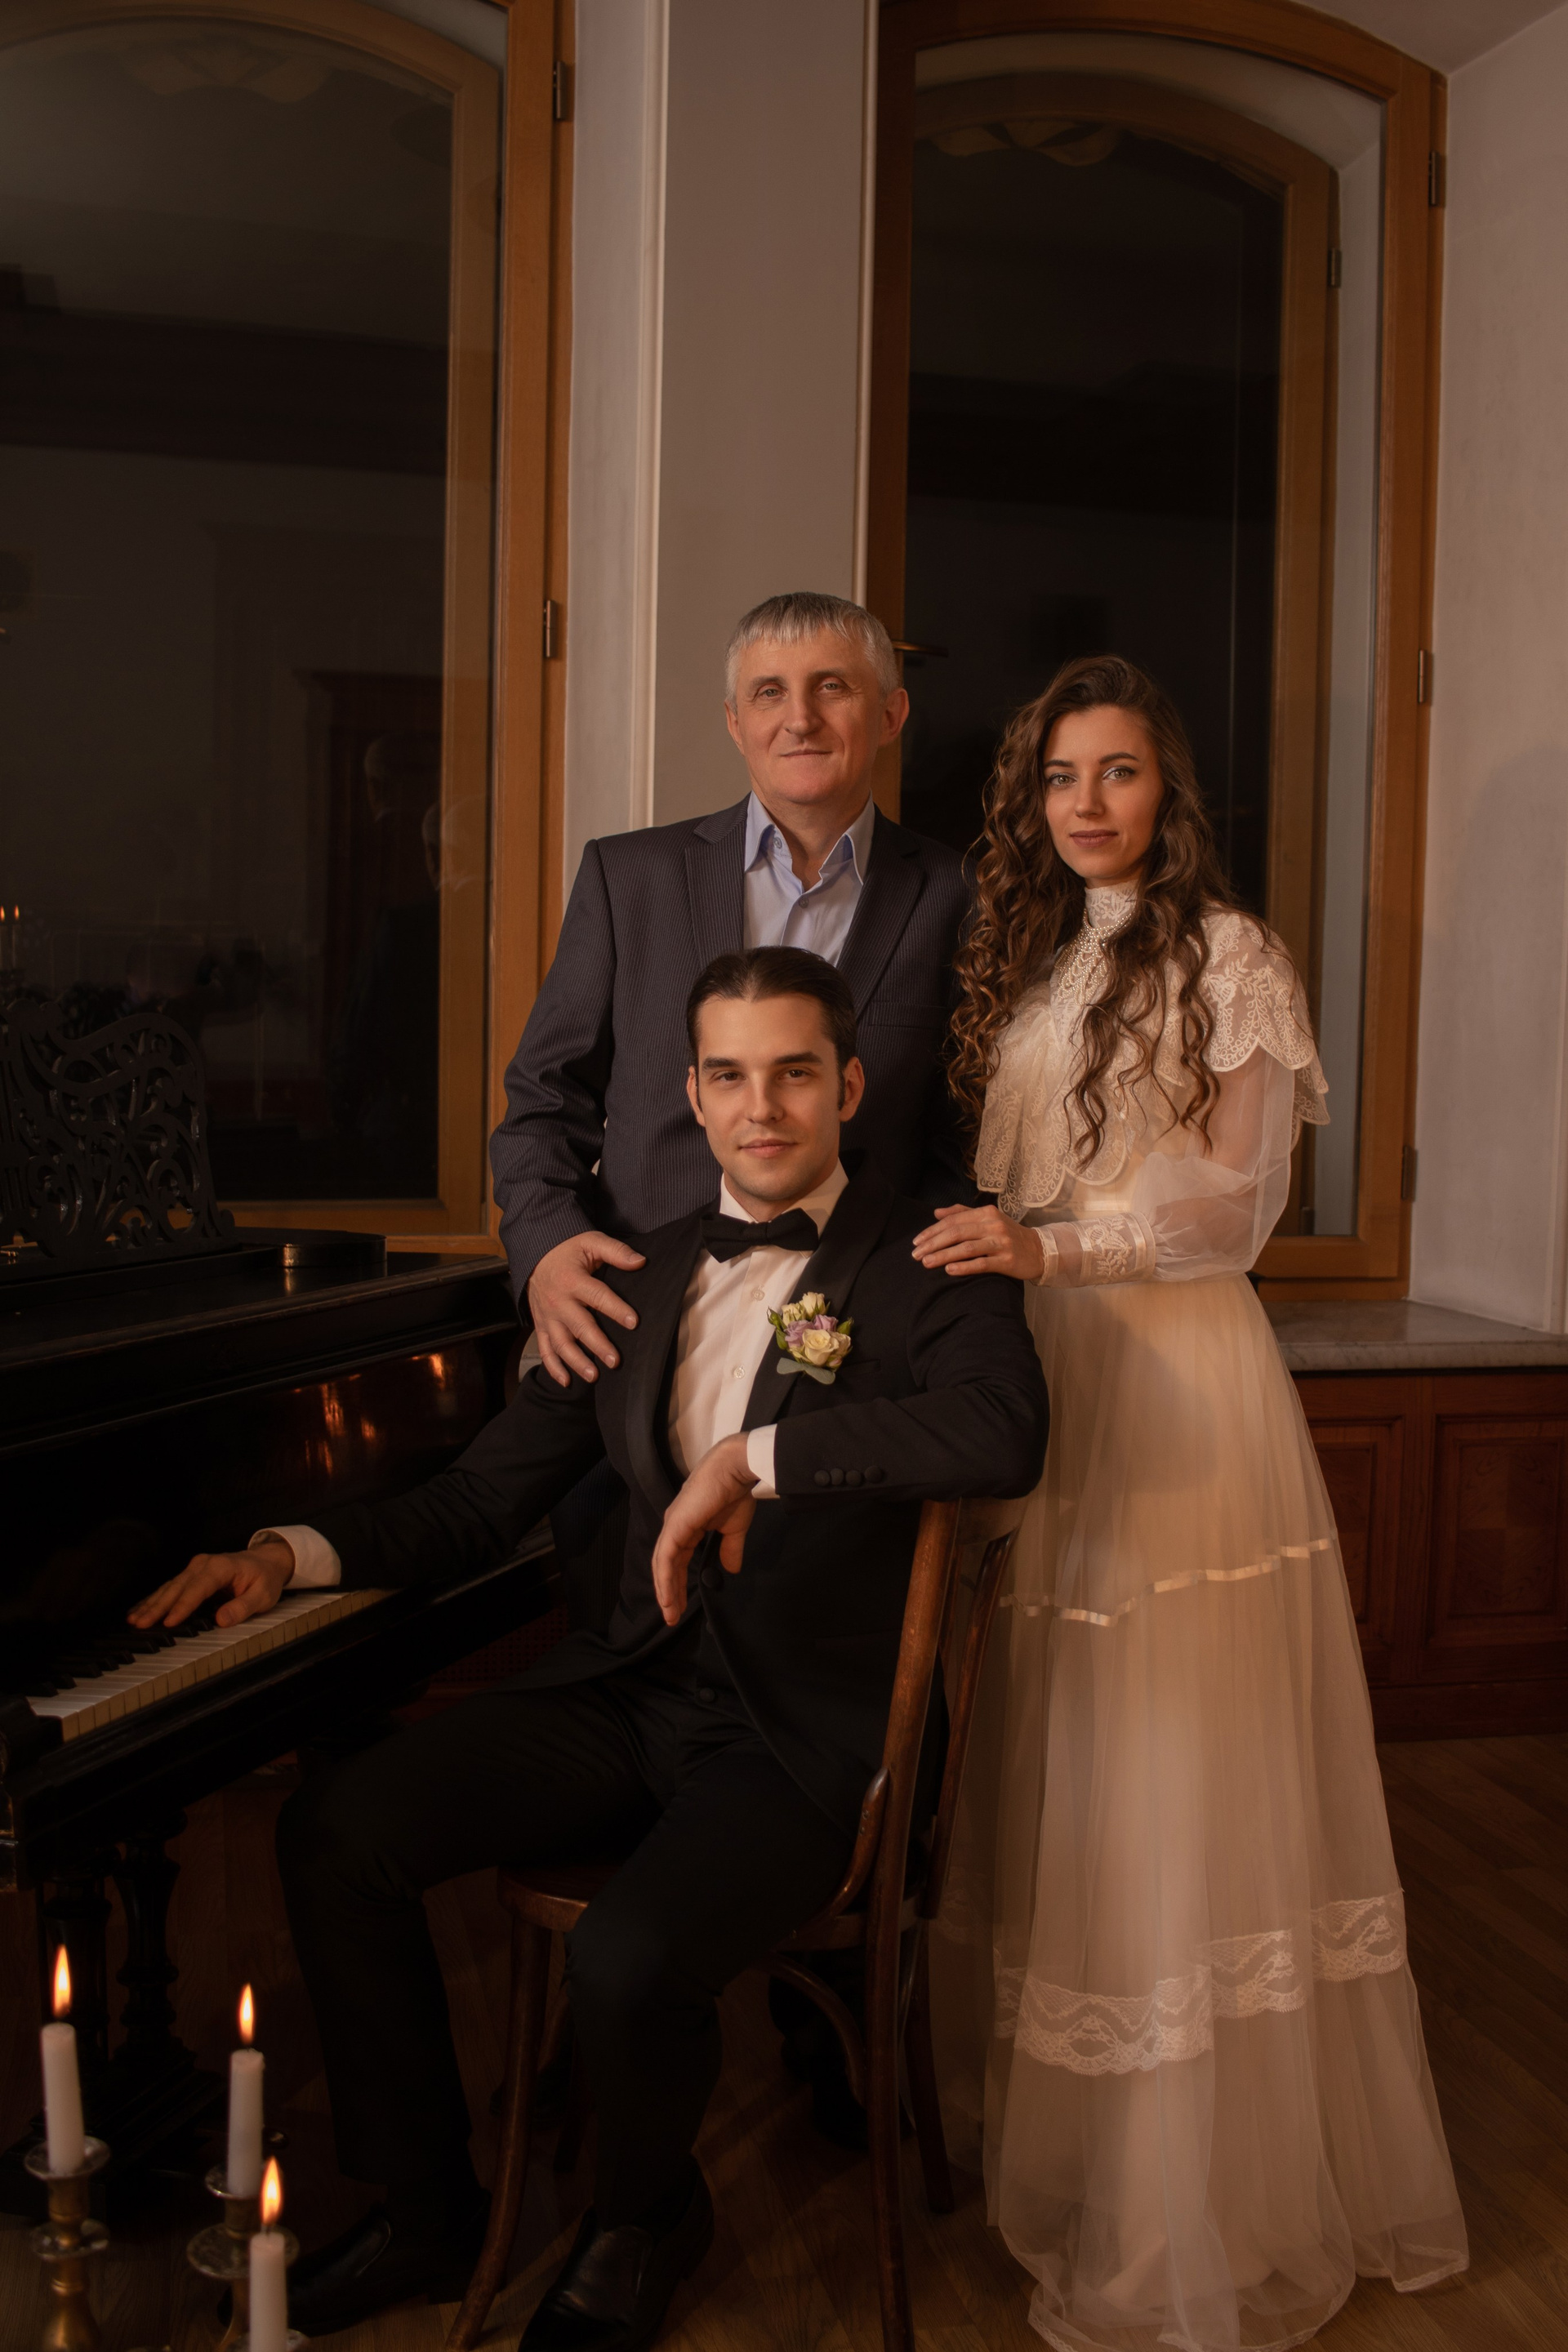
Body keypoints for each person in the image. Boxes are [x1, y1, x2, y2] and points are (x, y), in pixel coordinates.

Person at [131, 946, 1047, 2346]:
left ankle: (643, 2217)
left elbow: (1004, 1431)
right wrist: (288, 1554)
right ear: (692, 1092)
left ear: (850, 1087)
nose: (762, 1107)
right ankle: (427, 2210)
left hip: (802, 1738)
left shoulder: (932, 1258)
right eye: (730, 1075)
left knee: (623, 1959)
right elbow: (476, 1502)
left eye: (795, 1073)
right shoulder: (642, 1273)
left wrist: (754, 1458)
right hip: (629, 1689)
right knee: (338, 1830)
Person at [912, 657, 1467, 2352]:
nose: (1088, 802)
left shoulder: (1231, 954)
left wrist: (1052, 1250)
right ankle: (1081, 2152)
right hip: (1040, 1379)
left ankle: (1197, 2204)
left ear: (1172, 791)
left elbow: (1234, 1212)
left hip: (1174, 1380)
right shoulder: (1027, 959)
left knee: (1172, 1762)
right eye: (1060, 775)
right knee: (1064, 1748)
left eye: (1120, 771)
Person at [490, 591, 973, 1642]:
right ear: (734, 721)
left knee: (798, 1665)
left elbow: (957, 1138)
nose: (799, 718)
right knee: (614, 1652)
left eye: (832, 688)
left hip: (841, 1377)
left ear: (890, 714)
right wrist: (548, 1251)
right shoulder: (631, 877)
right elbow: (542, 1104)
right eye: (769, 693)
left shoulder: (956, 895)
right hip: (626, 1350)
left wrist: (908, 1297)